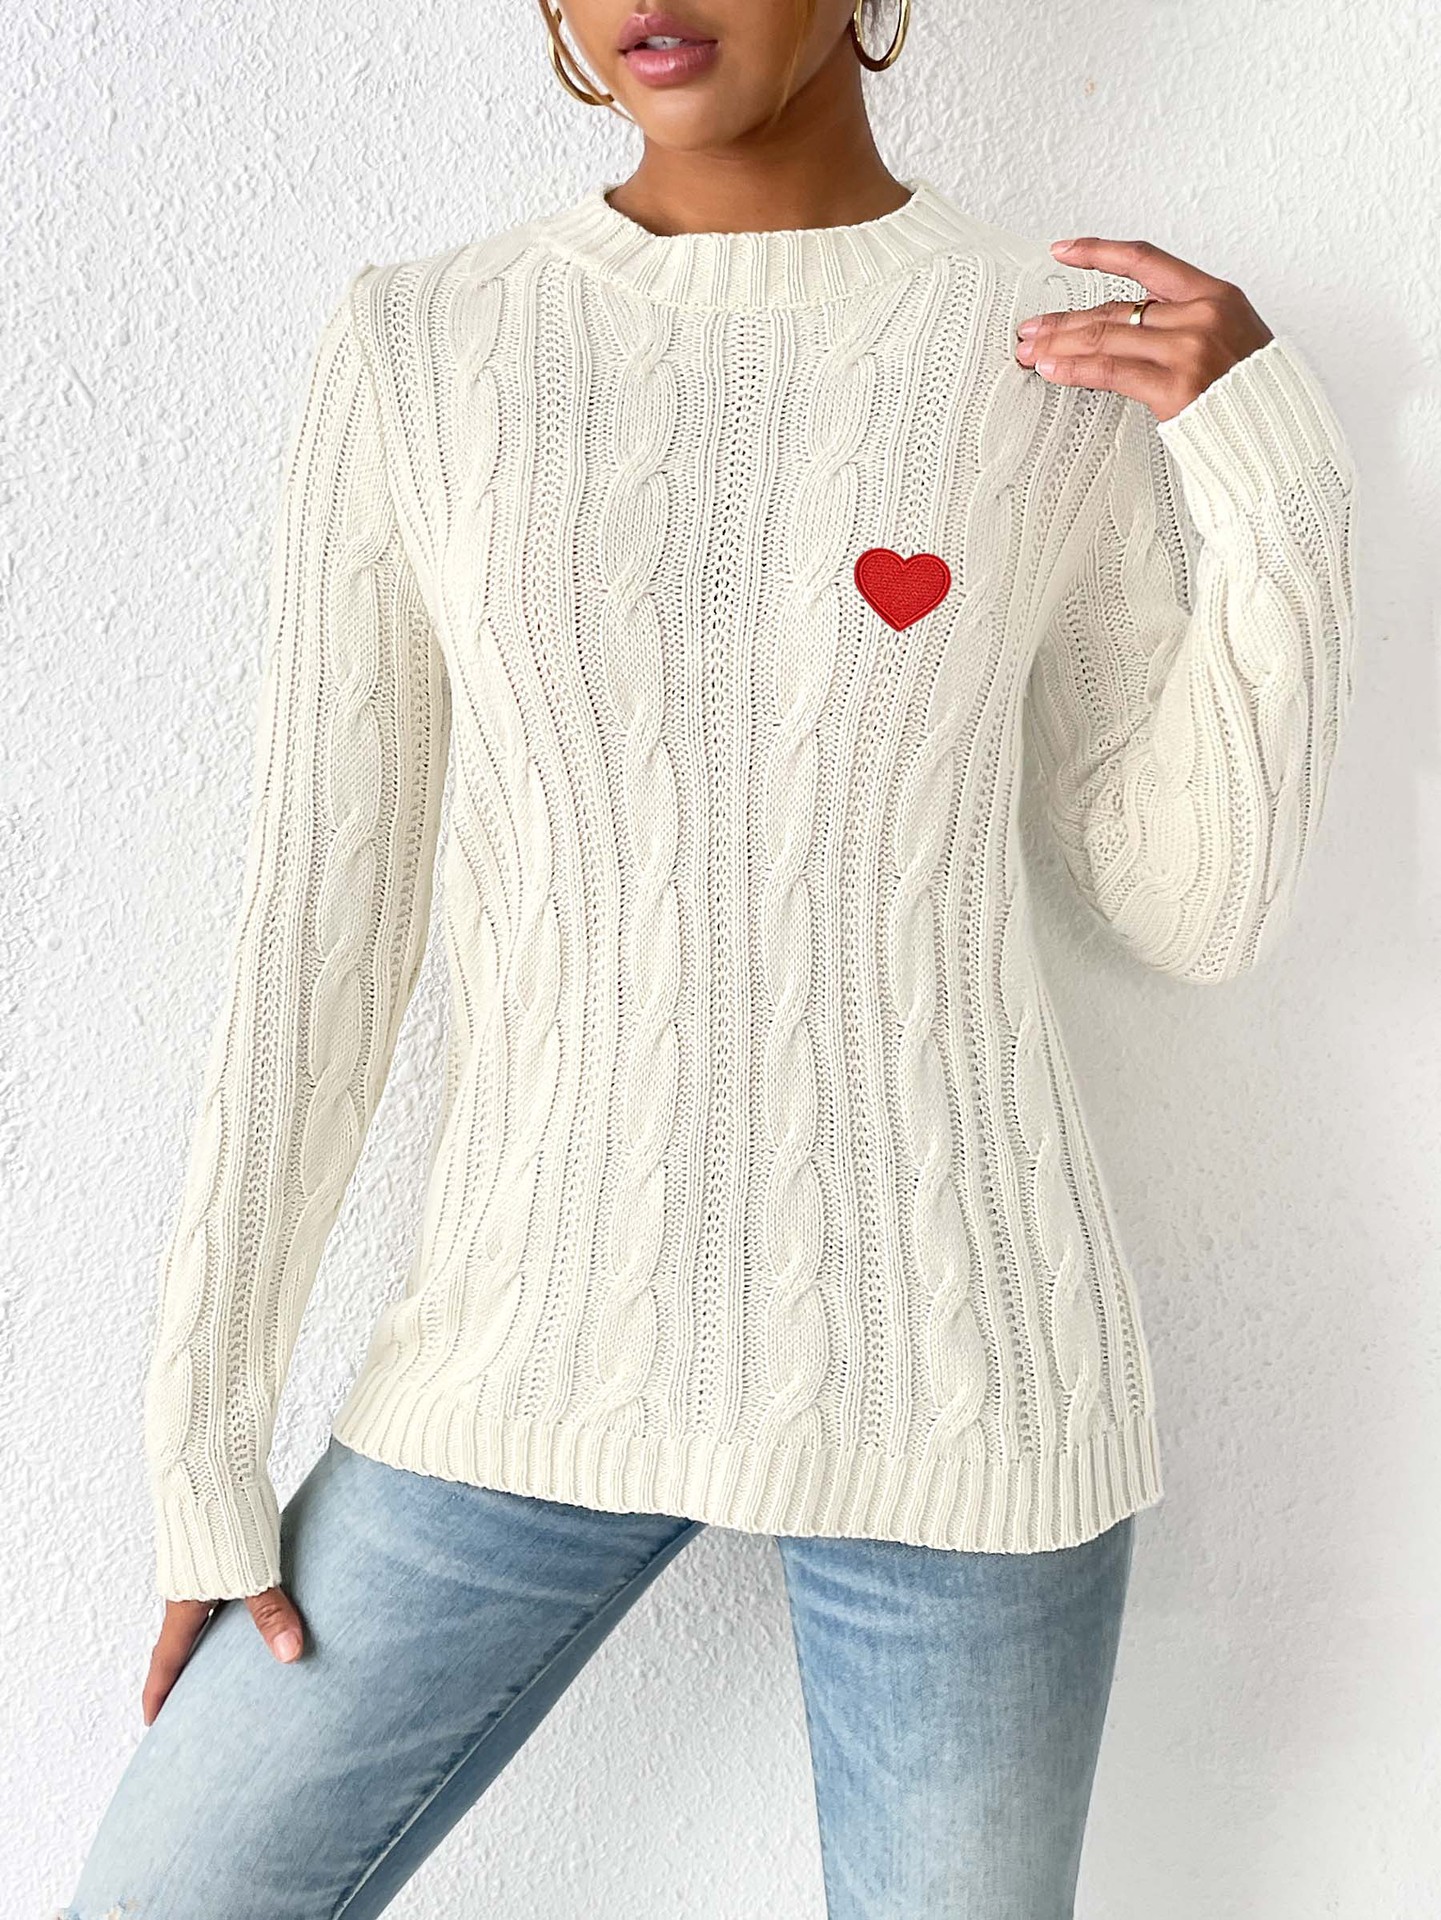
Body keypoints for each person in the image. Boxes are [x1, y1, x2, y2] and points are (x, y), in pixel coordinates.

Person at [57, 1, 1358, 1915]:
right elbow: (321, 917)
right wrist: (203, 1436)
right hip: (520, 1359)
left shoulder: (1047, 350)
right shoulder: (427, 343)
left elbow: (1192, 905)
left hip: (963, 1376)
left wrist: (1278, 483)